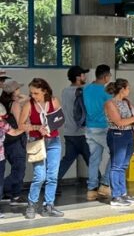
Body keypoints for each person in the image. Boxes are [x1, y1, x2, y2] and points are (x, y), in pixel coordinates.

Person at [22, 78, 64, 219]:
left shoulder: (53, 101)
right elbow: (21, 125)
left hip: (54, 140)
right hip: (37, 141)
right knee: (40, 176)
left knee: (52, 176)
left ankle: (49, 205)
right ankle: (32, 204)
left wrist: (50, 127)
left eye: (36, 93)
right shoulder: (29, 105)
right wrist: (36, 128)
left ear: (44, 91)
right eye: (31, 93)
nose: (33, 96)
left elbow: (60, 119)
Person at [102, 79, 134, 207]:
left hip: (128, 134)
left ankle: (122, 193)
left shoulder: (126, 102)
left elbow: (129, 119)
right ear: (122, 89)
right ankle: (116, 196)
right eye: (128, 88)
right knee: (116, 165)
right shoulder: (110, 104)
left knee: (123, 165)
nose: (129, 90)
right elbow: (119, 122)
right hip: (117, 135)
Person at [56, 65, 91, 187]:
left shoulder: (65, 91)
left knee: (67, 160)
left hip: (69, 133)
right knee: (91, 160)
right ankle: (100, 185)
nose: (85, 76)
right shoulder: (84, 91)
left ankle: (52, 184)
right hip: (82, 133)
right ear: (78, 77)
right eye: (83, 74)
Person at [83, 65, 113, 200]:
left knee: (94, 159)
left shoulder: (87, 88)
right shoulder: (105, 91)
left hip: (89, 128)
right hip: (102, 127)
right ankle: (105, 184)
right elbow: (111, 108)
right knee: (116, 153)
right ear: (106, 76)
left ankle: (91, 189)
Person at [1, 80, 28, 207]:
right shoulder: (15, 105)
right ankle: (13, 194)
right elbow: (19, 123)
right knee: (19, 168)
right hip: (16, 139)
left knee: (15, 167)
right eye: (18, 89)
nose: (19, 91)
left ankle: (9, 193)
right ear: (13, 92)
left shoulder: (4, 103)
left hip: (6, 140)